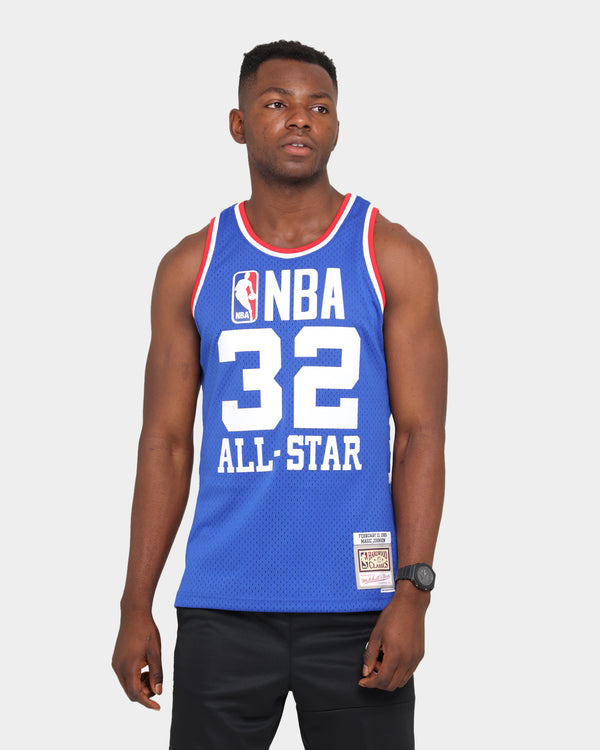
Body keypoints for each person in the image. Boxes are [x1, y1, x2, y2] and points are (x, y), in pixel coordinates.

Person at [112, 40, 447, 750]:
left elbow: (421, 434)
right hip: (223, 604)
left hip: (360, 607)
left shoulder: (390, 254)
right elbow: (165, 444)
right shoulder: (192, 266)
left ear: (337, 125)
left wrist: (412, 592)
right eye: (277, 103)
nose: (300, 119)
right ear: (238, 124)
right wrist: (135, 603)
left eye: (319, 107)